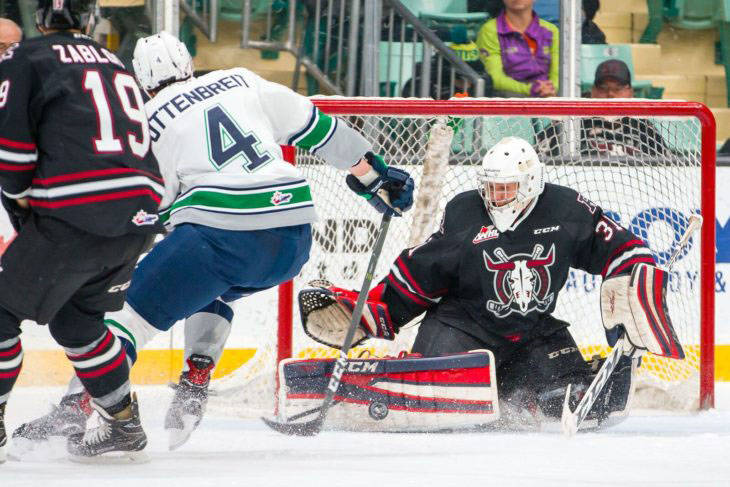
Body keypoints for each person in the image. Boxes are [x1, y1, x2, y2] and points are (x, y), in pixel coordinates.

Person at [10, 31, 414, 453]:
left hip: (221, 237)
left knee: (127, 315)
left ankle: (80, 407)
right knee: (205, 286)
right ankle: (196, 377)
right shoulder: (240, 79)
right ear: (187, 64)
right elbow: (320, 128)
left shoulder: (146, 121)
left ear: (141, 82)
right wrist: (373, 180)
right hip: (293, 236)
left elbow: (150, 210)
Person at [296, 136, 684, 431]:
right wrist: (372, 312)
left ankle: (515, 388)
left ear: (530, 183)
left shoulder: (568, 209)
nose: (496, 196)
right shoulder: (466, 210)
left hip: (532, 332)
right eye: (491, 187)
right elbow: (425, 269)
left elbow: (624, 251)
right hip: (462, 326)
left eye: (506, 188)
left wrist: (638, 281)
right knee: (434, 399)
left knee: (584, 403)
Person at [0, 0, 165, 462]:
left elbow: (12, 162)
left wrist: (21, 203)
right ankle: (124, 424)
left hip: (78, 215)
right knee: (79, 324)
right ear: (90, 20)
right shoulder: (115, 62)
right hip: (138, 219)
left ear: (38, 21)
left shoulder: (25, 59)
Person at [536, 59, 669, 157]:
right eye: (603, 88)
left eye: (618, 88)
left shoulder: (643, 128)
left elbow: (666, 163)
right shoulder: (570, 124)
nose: (610, 94)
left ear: (630, 92)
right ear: (592, 91)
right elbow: (541, 160)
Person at [476, 0, 559, 97]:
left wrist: (551, 88)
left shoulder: (551, 30)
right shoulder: (490, 30)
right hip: (508, 101)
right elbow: (495, 78)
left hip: (550, 98)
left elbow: (559, 72)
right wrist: (533, 89)